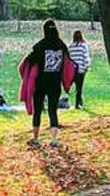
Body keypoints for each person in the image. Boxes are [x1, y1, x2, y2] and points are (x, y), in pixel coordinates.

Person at [26, 20, 74, 149]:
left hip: (40, 83)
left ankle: (36, 139)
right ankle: (54, 140)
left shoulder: (40, 45)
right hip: (55, 83)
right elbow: (69, 62)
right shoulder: (61, 45)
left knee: (38, 111)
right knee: (53, 111)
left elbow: (30, 61)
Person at [68, 29, 91, 109]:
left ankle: (79, 102)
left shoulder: (70, 46)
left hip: (72, 71)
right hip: (80, 70)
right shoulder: (84, 45)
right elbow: (86, 58)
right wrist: (86, 68)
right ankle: (77, 104)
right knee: (79, 88)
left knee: (71, 87)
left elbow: (69, 59)